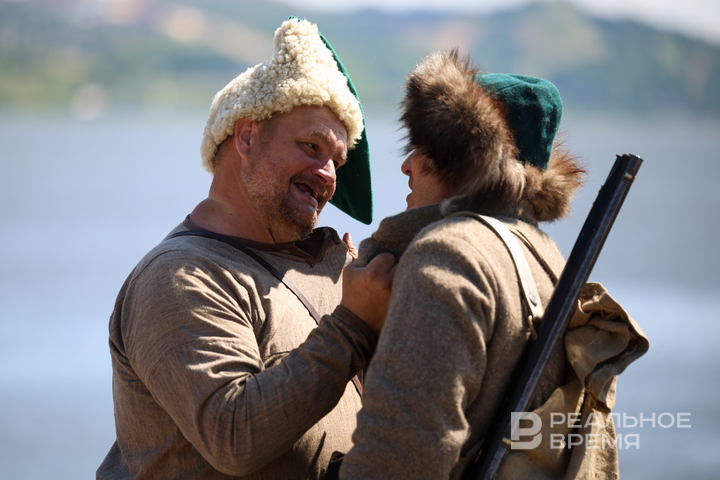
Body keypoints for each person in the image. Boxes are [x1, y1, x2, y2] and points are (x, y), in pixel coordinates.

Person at [97, 18, 396, 480]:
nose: (328, 174)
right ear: (247, 138)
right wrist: (353, 324)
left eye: (336, 161)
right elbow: (234, 436)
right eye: (311, 146)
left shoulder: (326, 267)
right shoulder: (181, 276)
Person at [338, 51, 648, 479]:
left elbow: (396, 459)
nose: (406, 166)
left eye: (421, 149)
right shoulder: (546, 258)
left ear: (460, 158)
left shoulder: (448, 255)